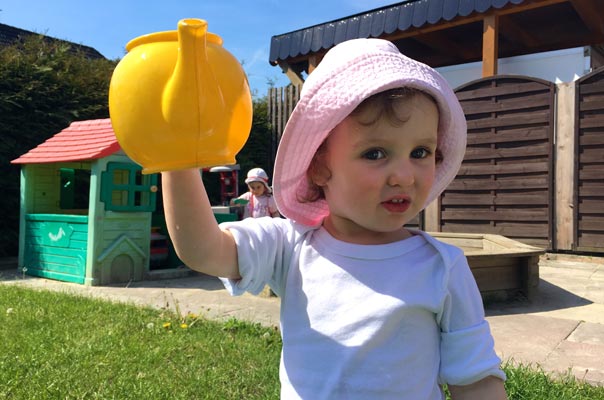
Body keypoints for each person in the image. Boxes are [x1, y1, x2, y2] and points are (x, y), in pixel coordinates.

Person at [161, 38, 507, 399]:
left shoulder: (442, 267)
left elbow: (476, 380)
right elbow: (202, 249)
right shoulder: (291, 246)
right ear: (319, 167)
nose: (404, 175)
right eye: (375, 153)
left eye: (420, 151)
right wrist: (176, 156)